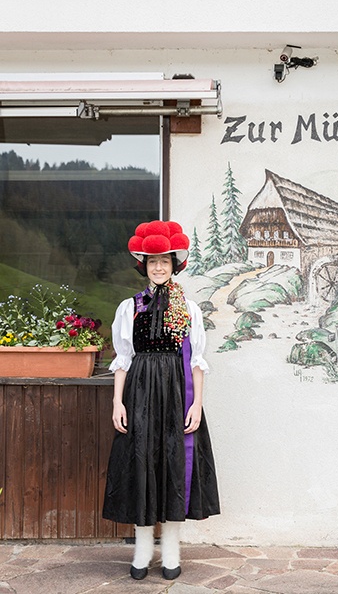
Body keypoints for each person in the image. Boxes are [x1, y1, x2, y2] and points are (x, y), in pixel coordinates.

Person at [103, 220, 220, 580]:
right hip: (139, 393)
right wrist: (117, 403)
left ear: (174, 265)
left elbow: (197, 362)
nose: (158, 267)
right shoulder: (130, 308)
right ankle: (141, 553)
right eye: (152, 261)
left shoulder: (190, 310)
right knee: (141, 465)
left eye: (164, 262)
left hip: (176, 393)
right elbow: (123, 359)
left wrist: (196, 404)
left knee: (172, 466)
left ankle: (170, 553)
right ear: (144, 265)